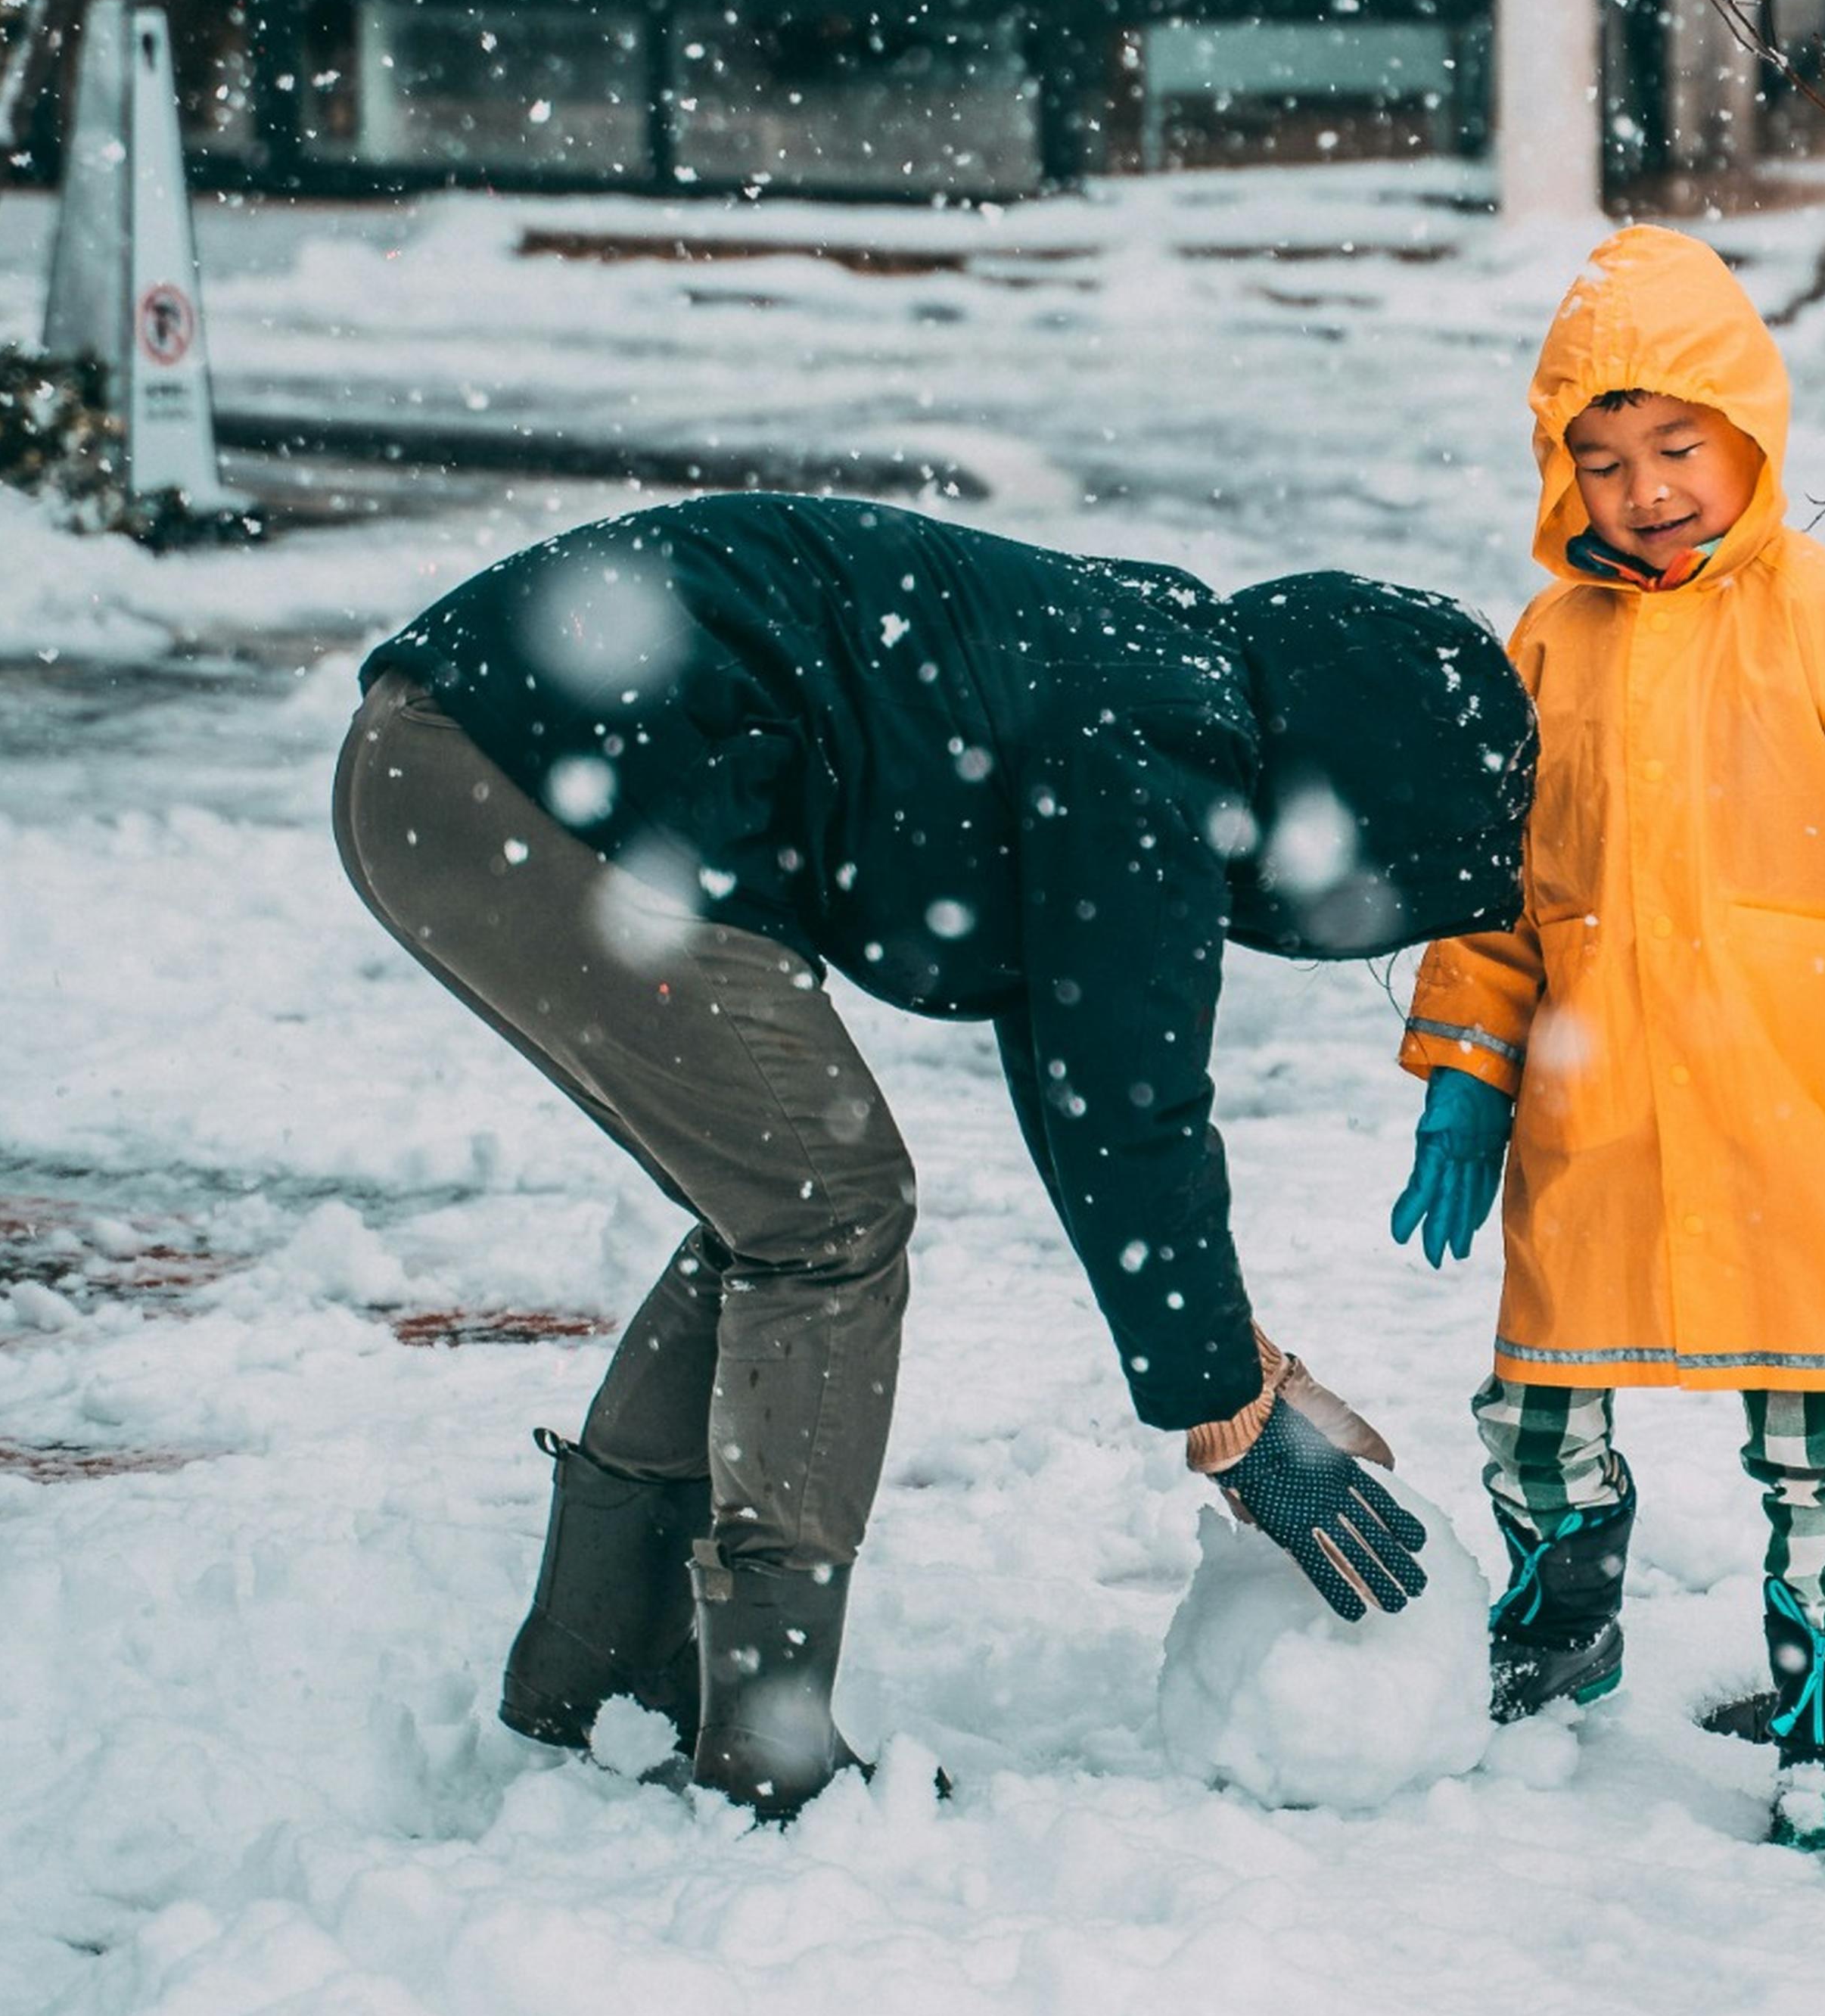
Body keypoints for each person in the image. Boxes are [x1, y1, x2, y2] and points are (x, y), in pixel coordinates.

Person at [336, 496, 1533, 1818]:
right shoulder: (1163, 753)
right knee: (824, 1210)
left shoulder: (1142, 679)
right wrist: (1226, 1409)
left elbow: (1085, 1069)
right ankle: (765, 1733)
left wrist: (1231, 1377)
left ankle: (599, 1670)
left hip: (460, 750)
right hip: (512, 769)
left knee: (779, 1203)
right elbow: (1127, 1108)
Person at [1388, 226, 1825, 1862]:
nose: (1644, 487)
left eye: (1677, 443)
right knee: (1535, 1410)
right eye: (1598, 457)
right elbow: (1495, 889)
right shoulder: (1546, 646)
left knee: (1808, 1446)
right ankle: (1558, 1618)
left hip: (1780, 1112)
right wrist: (1469, 1072)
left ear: (1748, 430)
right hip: (1593, 1106)